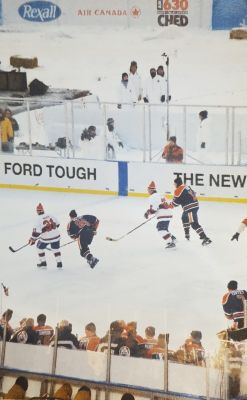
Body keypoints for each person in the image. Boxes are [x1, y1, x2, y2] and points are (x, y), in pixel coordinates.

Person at [170, 177, 211, 245]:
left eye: (174, 183)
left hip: (190, 208)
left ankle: (205, 238)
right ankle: (187, 234)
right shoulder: (186, 186)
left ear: (177, 183)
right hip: (194, 206)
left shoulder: (178, 190)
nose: (174, 185)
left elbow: (176, 203)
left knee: (194, 223)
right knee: (184, 217)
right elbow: (192, 194)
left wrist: (169, 205)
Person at [28, 203, 62, 268]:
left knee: (39, 248)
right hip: (56, 236)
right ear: (43, 210)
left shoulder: (38, 219)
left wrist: (32, 239)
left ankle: (43, 263)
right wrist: (49, 228)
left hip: (46, 239)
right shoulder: (50, 215)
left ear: (37, 211)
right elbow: (58, 224)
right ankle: (59, 263)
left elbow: (36, 233)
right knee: (55, 249)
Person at [144, 181, 176, 249]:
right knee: (163, 229)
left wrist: (147, 213)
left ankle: (171, 243)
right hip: (168, 213)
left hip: (163, 214)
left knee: (161, 229)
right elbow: (167, 204)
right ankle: (173, 239)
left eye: (148, 190)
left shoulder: (152, 197)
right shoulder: (160, 195)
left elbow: (154, 209)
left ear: (151, 190)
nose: (148, 191)